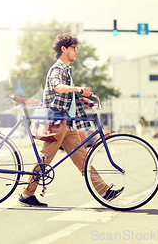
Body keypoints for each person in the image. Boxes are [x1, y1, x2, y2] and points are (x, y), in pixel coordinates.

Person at [19, 33, 124, 207]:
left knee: (83, 159)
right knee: (45, 159)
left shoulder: (66, 70)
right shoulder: (57, 69)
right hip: (56, 122)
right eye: (74, 48)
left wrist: (80, 99)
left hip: (68, 124)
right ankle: (26, 193)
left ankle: (104, 191)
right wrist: (78, 88)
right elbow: (57, 87)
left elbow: (66, 95)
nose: (76, 51)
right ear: (64, 49)